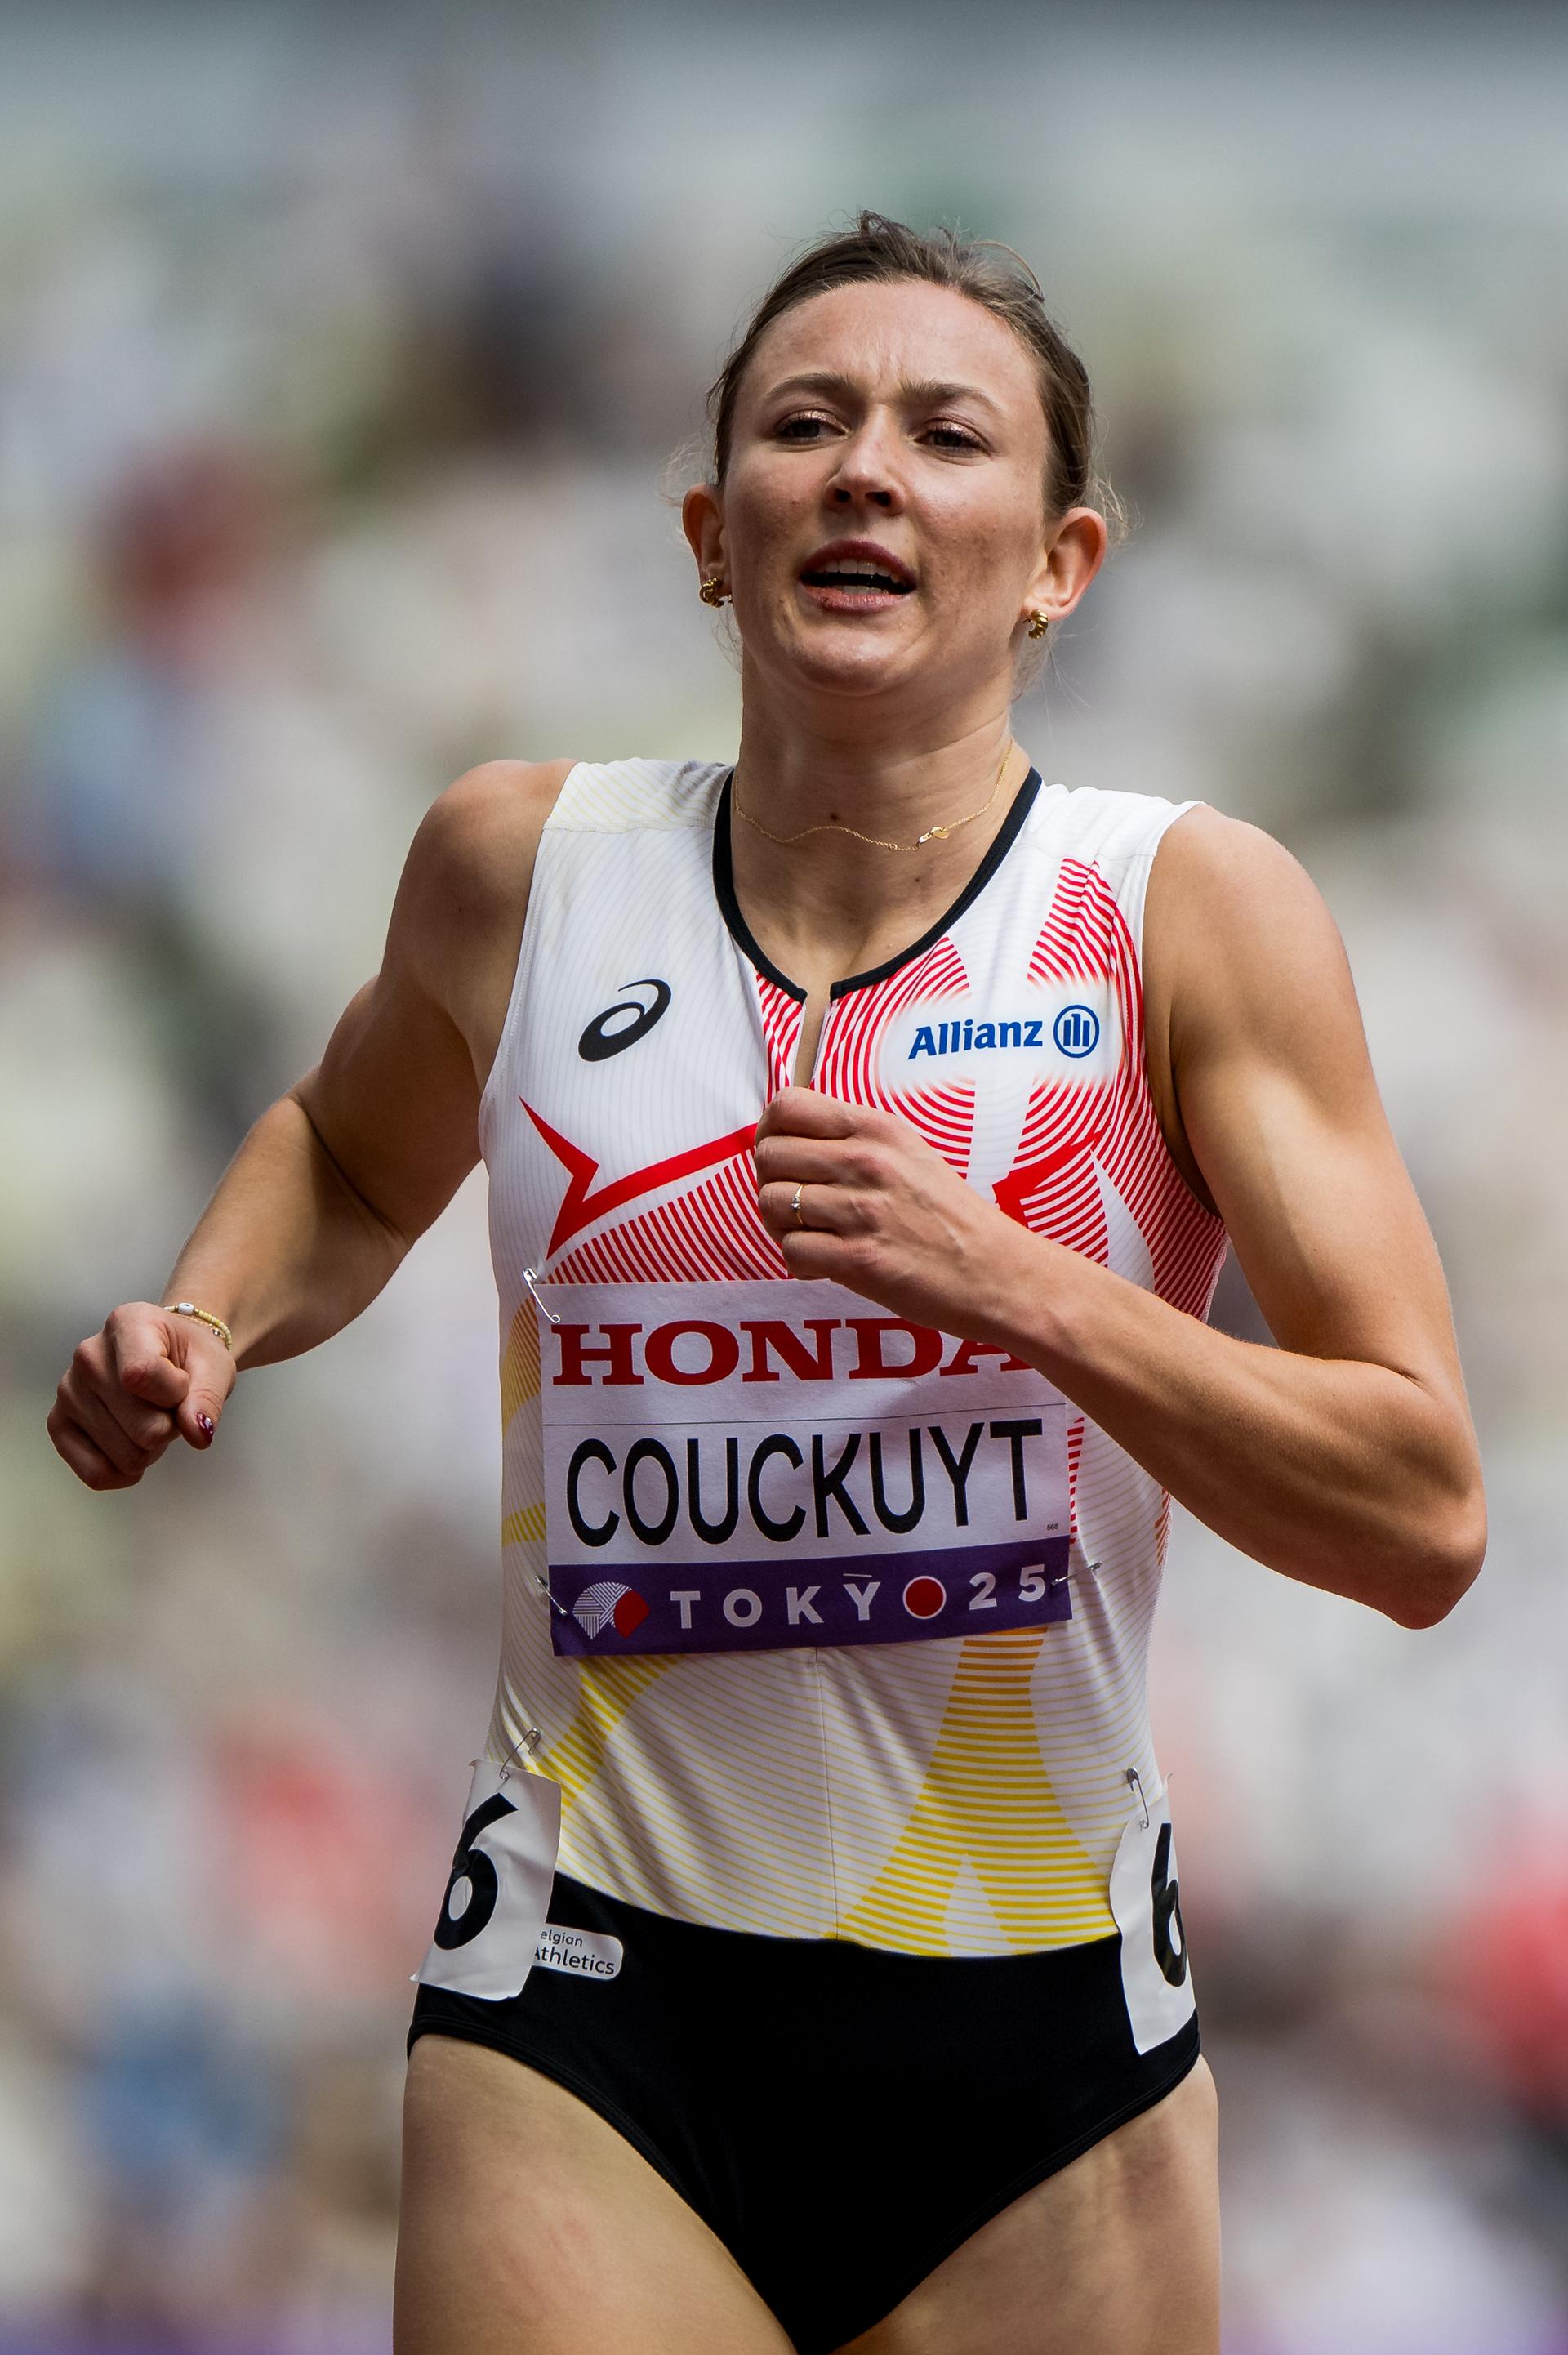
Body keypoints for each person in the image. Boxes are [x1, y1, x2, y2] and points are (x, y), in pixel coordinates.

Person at [47, 213, 1486, 2355]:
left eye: (944, 433)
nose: (866, 471)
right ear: (716, 534)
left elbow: (1424, 1510)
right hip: (593, 1992)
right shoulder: (524, 870)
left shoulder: (1179, 914)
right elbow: (349, 1150)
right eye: (804, 425)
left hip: (1039, 2035)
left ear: (1061, 558)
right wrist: (209, 1313)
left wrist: (1024, 1286)